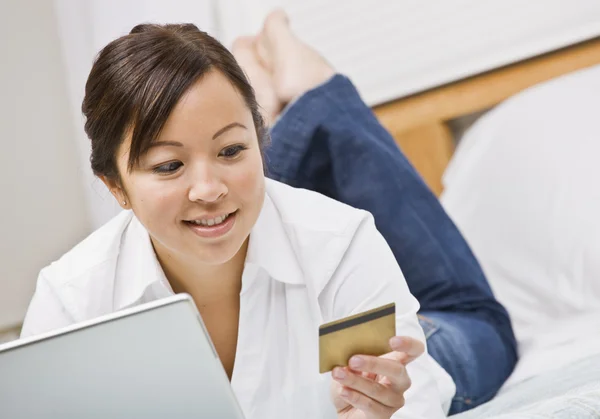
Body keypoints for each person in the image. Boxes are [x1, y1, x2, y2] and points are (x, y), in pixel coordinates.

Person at [20, 10, 516, 417]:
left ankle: (317, 84)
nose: (208, 188)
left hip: (431, 334)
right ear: (115, 187)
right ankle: (265, 93)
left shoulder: (338, 241)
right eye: (168, 165)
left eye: (233, 149)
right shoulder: (72, 303)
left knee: (482, 328)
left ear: (259, 141)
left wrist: (380, 408)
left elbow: (396, 392)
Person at [231, 11, 518, 414]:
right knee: (474, 317)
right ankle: (311, 97)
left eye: (232, 145)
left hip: (340, 354)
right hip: (390, 346)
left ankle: (294, 104)